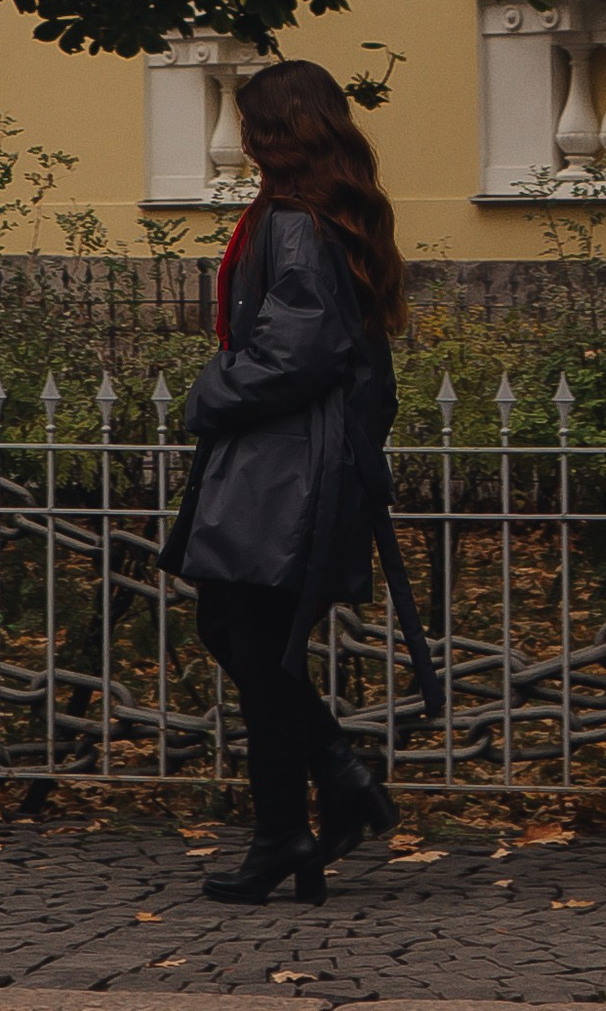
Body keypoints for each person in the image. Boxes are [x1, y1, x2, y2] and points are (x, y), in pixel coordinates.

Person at [159, 57, 438, 905]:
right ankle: (335, 782)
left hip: (286, 464)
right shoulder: (322, 215)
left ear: (281, 131)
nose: (241, 140)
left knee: (255, 641)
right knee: (238, 631)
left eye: (252, 125)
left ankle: (287, 829)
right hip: (288, 459)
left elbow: (300, 349)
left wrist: (208, 392)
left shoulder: (296, 222)